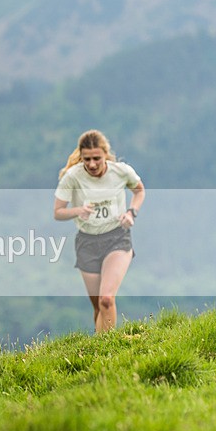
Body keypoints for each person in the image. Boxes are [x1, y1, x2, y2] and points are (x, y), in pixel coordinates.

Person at [54, 129, 145, 333]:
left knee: (106, 299)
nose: (92, 164)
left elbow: (139, 190)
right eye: (87, 159)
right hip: (87, 242)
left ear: (105, 154)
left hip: (117, 238)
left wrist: (131, 212)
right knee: (98, 307)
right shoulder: (73, 177)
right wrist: (79, 211)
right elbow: (58, 212)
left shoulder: (121, 171)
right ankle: (99, 350)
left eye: (97, 158)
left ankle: (110, 350)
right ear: (81, 156)